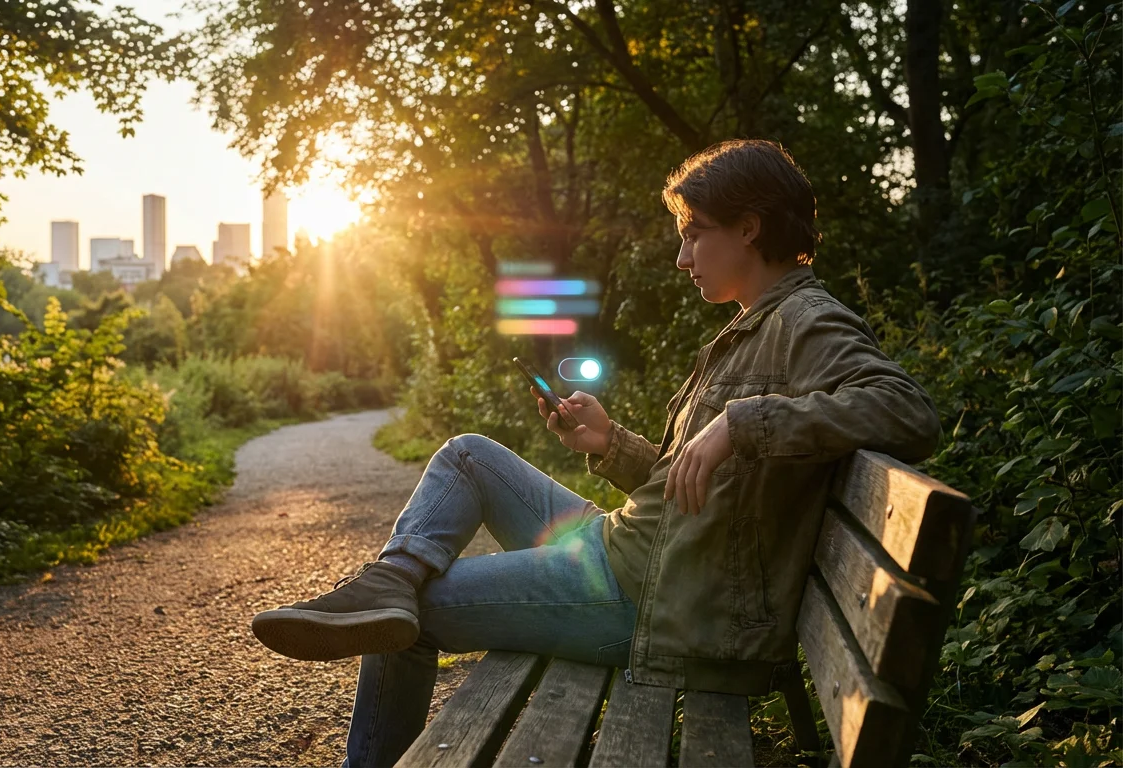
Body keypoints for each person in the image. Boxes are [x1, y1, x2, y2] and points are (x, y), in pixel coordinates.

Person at [250, 139, 942, 767]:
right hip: (639, 560)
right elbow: (692, 487)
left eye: (694, 235)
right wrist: (611, 444)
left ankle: (390, 610)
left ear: (749, 227)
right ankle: (391, 577)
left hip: (655, 607)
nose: (682, 257)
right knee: (468, 457)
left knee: (411, 621)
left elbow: (907, 411)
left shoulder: (805, 320)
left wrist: (742, 420)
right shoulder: (748, 328)